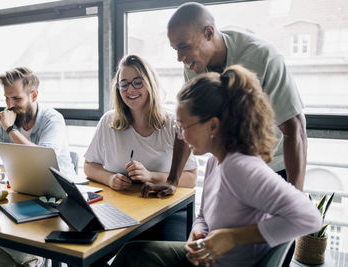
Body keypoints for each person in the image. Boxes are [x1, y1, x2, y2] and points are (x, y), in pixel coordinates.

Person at [111, 65, 322, 267]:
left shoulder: (242, 167)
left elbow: (311, 218)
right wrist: (197, 234)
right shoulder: (215, 162)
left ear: (212, 125)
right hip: (206, 259)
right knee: (133, 253)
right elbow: (203, 216)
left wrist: (231, 238)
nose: (181, 136)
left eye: (184, 127)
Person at [142, 2, 307, 199]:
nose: (180, 57)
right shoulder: (193, 66)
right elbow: (186, 123)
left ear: (209, 33)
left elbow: (294, 128)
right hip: (229, 169)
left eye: (184, 46)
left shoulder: (262, 57)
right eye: (175, 49)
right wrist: (172, 180)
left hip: (271, 170)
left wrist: (295, 197)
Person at [84, 54, 197, 240]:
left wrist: (150, 176)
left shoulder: (171, 123)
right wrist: (110, 178)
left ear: (150, 84)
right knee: (85, 248)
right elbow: (89, 166)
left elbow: (191, 178)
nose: (130, 90)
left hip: (166, 212)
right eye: (124, 83)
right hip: (121, 210)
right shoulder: (109, 121)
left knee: (139, 255)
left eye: (138, 82)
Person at [0, 67, 75, 267]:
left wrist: (10, 130)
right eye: (6, 99)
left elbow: (42, 159)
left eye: (16, 99)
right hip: (22, 195)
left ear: (34, 95)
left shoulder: (52, 119)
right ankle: (29, 261)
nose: (10, 106)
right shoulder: (9, 119)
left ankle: (30, 260)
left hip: (60, 198)